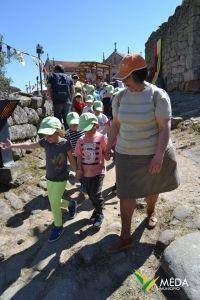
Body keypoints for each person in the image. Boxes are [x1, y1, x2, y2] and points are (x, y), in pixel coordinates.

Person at [105, 53, 180, 253]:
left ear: (137, 75)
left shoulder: (158, 95)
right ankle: (126, 236)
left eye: (126, 77)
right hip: (125, 153)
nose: (123, 81)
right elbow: (116, 124)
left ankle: (151, 210)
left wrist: (159, 155)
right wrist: (108, 144)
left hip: (151, 152)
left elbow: (164, 128)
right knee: (125, 194)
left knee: (151, 188)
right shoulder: (119, 97)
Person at [0, 116, 77, 242]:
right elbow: (30, 145)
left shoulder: (65, 143)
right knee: (55, 200)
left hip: (61, 178)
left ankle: (58, 226)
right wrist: (13, 145)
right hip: (49, 178)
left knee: (53, 202)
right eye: (45, 135)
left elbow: (71, 158)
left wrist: (77, 171)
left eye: (50, 134)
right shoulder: (45, 142)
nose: (47, 137)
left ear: (58, 131)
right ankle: (71, 204)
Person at [75, 113, 107, 228]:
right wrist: (78, 169)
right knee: (90, 194)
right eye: (85, 129)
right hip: (85, 173)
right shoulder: (80, 140)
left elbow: (105, 152)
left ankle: (100, 213)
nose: (87, 132)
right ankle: (96, 210)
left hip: (98, 172)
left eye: (89, 129)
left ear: (96, 125)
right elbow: (78, 155)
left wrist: (109, 154)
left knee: (96, 193)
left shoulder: (101, 138)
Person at [47, 64, 74, 129]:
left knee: (57, 121)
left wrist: (50, 98)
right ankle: (69, 136)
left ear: (56, 70)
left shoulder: (52, 76)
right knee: (67, 120)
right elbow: (73, 91)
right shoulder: (69, 77)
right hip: (67, 101)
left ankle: (60, 136)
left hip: (57, 101)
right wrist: (71, 100)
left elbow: (49, 88)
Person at [65, 112, 86, 193]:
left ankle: (86, 183)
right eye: (72, 125)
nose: (74, 126)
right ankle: (83, 184)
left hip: (84, 154)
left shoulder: (82, 130)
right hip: (75, 156)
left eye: (76, 124)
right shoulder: (68, 133)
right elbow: (67, 144)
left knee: (85, 169)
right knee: (78, 170)